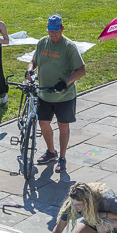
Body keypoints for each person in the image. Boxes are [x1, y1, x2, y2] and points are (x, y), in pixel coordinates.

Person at [27, 14, 85, 174]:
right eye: (50, 31)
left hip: (64, 96)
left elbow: (81, 70)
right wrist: (29, 70)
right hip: (45, 94)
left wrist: (66, 82)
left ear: (62, 28)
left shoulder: (69, 47)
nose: (53, 34)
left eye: (55, 31)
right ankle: (51, 152)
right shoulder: (42, 43)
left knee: (63, 125)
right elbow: (34, 61)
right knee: (43, 123)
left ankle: (62, 158)